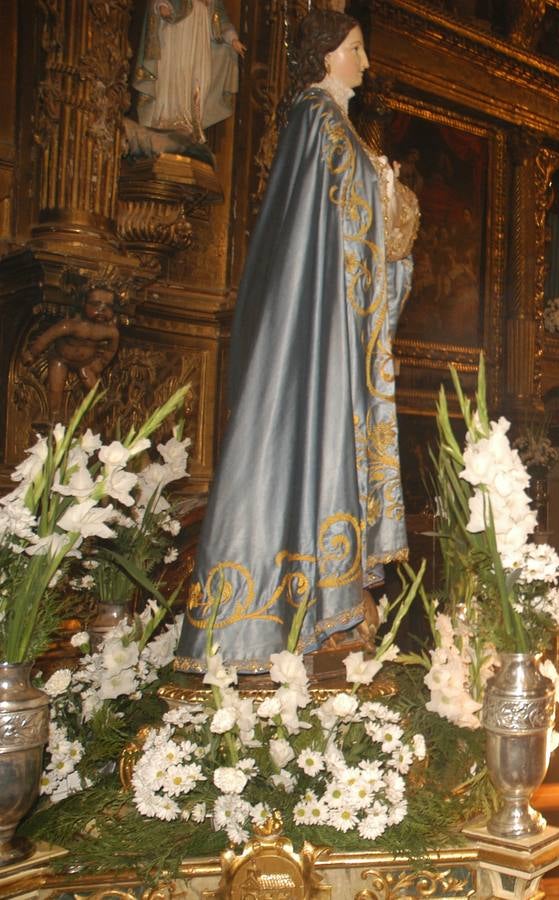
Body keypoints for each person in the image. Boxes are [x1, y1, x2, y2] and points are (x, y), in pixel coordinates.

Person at [175, 10, 419, 675]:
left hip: (334, 326)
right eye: (355, 50)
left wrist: (389, 210)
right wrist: (384, 190)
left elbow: (360, 235)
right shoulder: (317, 123)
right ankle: (274, 621)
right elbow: (326, 229)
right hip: (314, 332)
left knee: (328, 447)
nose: (364, 64)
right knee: (305, 443)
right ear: (326, 56)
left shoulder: (335, 128)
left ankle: (322, 612)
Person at [133, 0, 246, 144]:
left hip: (200, 39)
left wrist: (233, 39)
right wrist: (161, 5)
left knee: (199, 79)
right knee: (175, 74)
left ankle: (191, 123)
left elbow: (219, 19)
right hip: (176, 32)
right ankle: (168, 120)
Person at [22, 274, 122, 421]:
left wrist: (101, 363)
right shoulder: (71, 325)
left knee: (93, 386)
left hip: (86, 364)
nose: (102, 310)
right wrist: (32, 352)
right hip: (61, 358)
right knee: (55, 389)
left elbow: (112, 348)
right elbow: (49, 336)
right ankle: (54, 417)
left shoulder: (108, 331)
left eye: (108, 307)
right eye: (95, 305)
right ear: (83, 303)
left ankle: (103, 407)